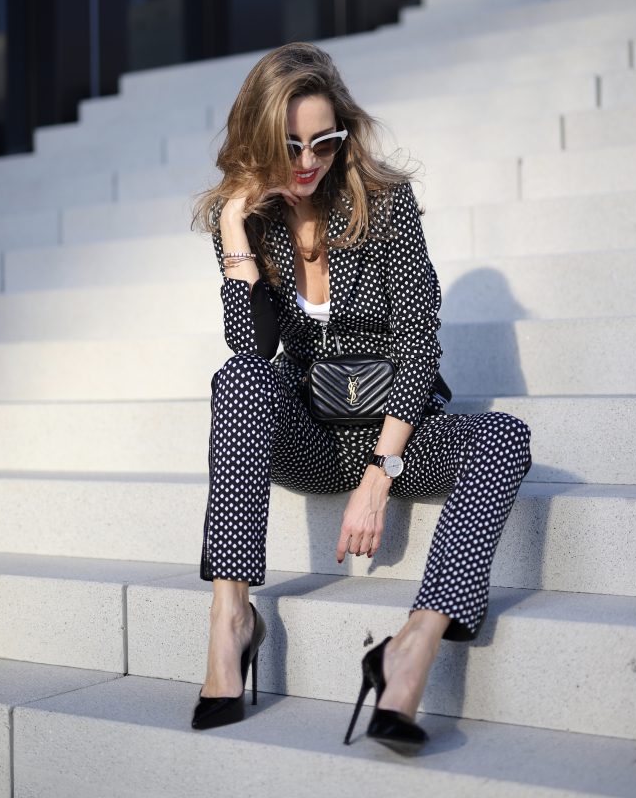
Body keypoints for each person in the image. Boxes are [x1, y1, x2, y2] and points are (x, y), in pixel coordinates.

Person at [190, 42, 531, 753]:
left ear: (344, 132)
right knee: (240, 380)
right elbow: (251, 351)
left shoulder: (384, 205)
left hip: (395, 433)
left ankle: (411, 647)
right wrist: (233, 233)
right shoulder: (248, 221)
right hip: (310, 439)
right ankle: (231, 620)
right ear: (257, 139)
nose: (306, 161)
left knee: (504, 439)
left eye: (323, 141)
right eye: (287, 146)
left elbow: (419, 342)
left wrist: (384, 471)